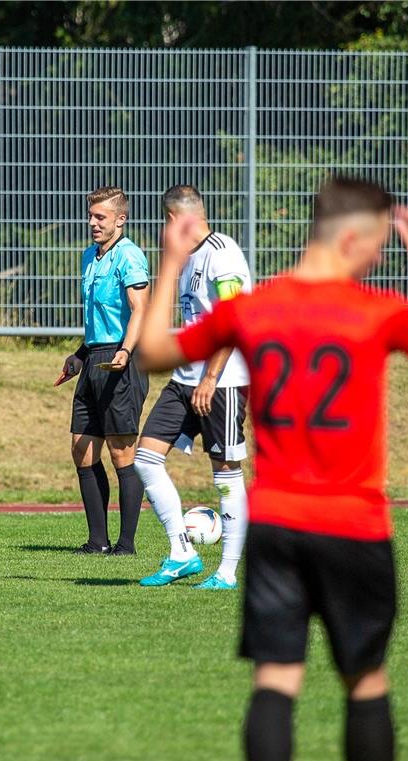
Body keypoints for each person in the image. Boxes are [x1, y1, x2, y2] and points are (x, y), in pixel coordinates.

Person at [137, 177, 408, 761]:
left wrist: (169, 258)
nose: (379, 257)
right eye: (377, 245)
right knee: (365, 682)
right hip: (356, 526)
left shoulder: (256, 306)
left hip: (279, 527)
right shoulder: (377, 308)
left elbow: (156, 351)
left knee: (275, 682)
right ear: (351, 237)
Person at [137, 185, 253, 590]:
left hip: (223, 382)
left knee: (226, 474)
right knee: (145, 459)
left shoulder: (222, 253)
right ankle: (182, 553)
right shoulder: (186, 259)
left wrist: (209, 378)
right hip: (184, 379)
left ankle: (226, 572)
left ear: (175, 220)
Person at [61, 186, 151, 556]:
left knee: (121, 454)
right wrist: (80, 354)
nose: (93, 223)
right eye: (91, 216)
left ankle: (125, 544)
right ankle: (97, 541)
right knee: (81, 448)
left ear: (120, 219)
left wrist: (126, 351)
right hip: (95, 358)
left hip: (123, 360)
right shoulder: (89, 256)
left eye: (100, 217)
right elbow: (98, 319)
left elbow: (140, 312)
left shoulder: (130, 257)